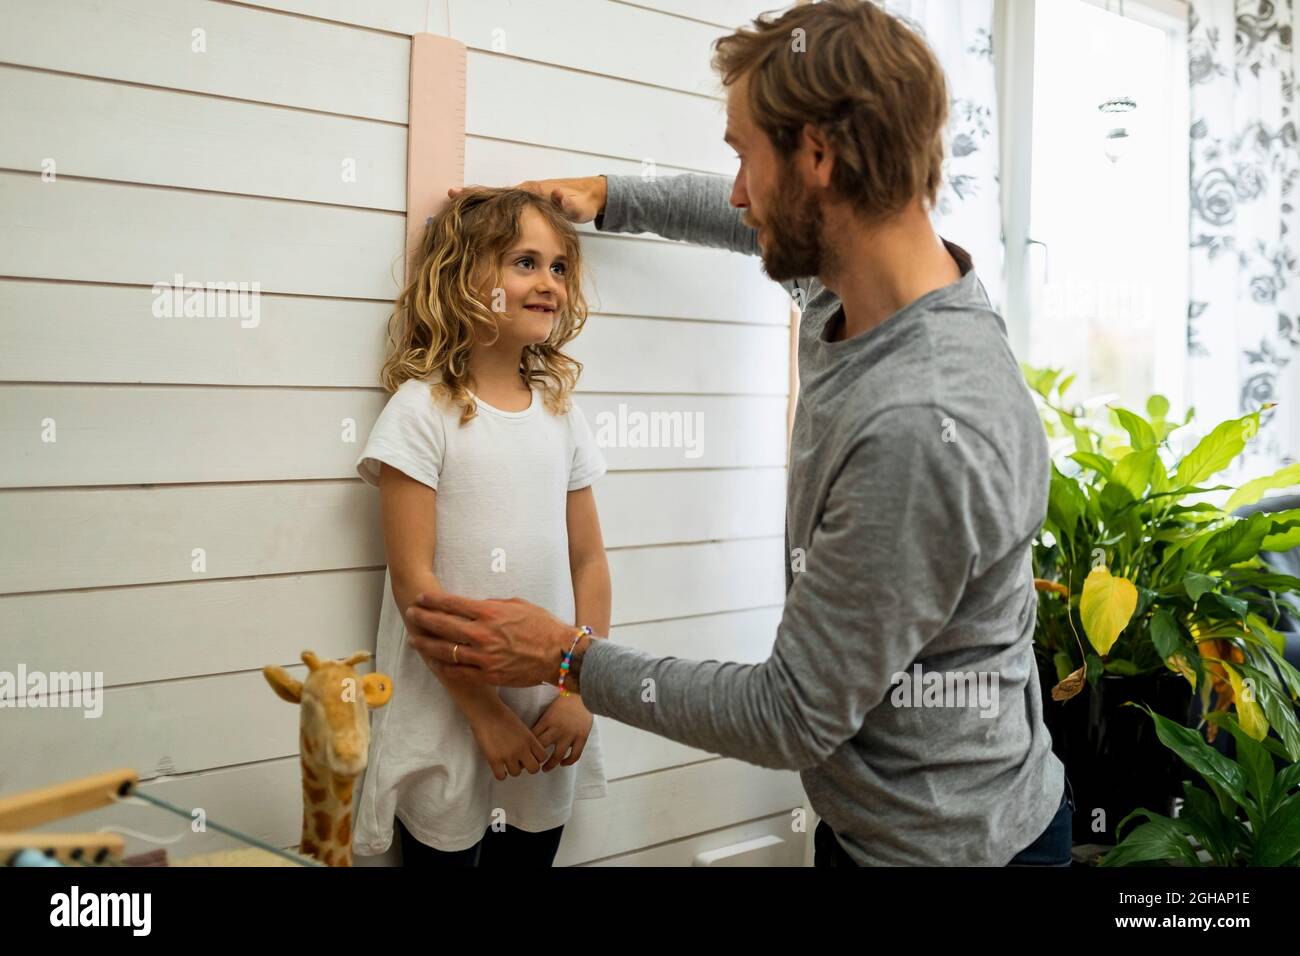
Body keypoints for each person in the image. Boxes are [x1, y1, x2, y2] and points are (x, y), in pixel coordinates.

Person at [404, 0, 1069, 866]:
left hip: (947, 849)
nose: (736, 191)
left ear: (819, 158)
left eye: (744, 155)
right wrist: (608, 198)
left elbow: (789, 714)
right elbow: (748, 224)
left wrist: (566, 657)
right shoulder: (859, 289)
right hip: (882, 824)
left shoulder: (921, 422)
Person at [350, 187, 610, 867]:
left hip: (548, 705)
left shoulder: (561, 414)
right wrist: (485, 714)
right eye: (525, 261)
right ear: (465, 277)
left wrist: (585, 686)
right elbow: (415, 588)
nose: (549, 283)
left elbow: (589, 563)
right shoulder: (421, 411)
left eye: (558, 267)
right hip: (449, 711)